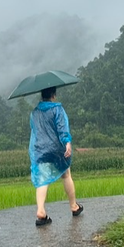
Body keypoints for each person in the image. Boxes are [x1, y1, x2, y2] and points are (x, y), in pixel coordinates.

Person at [29, 86, 82, 226]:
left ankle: (41, 211)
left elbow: (34, 132)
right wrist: (67, 143)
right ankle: (74, 206)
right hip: (57, 150)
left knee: (42, 180)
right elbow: (62, 128)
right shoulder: (57, 109)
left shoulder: (34, 113)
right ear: (53, 95)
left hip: (40, 150)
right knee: (66, 175)